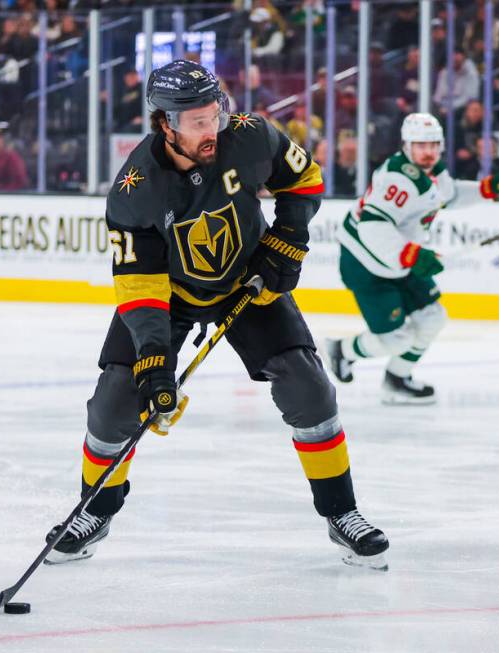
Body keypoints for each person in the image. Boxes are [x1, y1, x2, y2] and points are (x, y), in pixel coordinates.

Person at [43, 60, 389, 571]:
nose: (213, 128)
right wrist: (155, 361)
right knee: (116, 401)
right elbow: (139, 284)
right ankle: (95, 510)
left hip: (246, 281)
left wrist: (288, 238)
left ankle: (343, 513)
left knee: (309, 388)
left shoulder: (249, 136)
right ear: (166, 123)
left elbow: (305, 178)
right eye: (199, 121)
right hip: (171, 294)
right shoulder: (135, 189)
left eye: (216, 113)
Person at [324, 113, 499, 404]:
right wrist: (411, 254)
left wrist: (488, 188)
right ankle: (341, 351)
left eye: (433, 144)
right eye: (421, 145)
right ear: (407, 145)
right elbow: (372, 226)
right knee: (397, 338)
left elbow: (450, 194)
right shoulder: (398, 178)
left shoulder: (432, 170)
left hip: (400, 257)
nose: (428, 152)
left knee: (432, 318)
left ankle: (397, 379)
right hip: (365, 262)